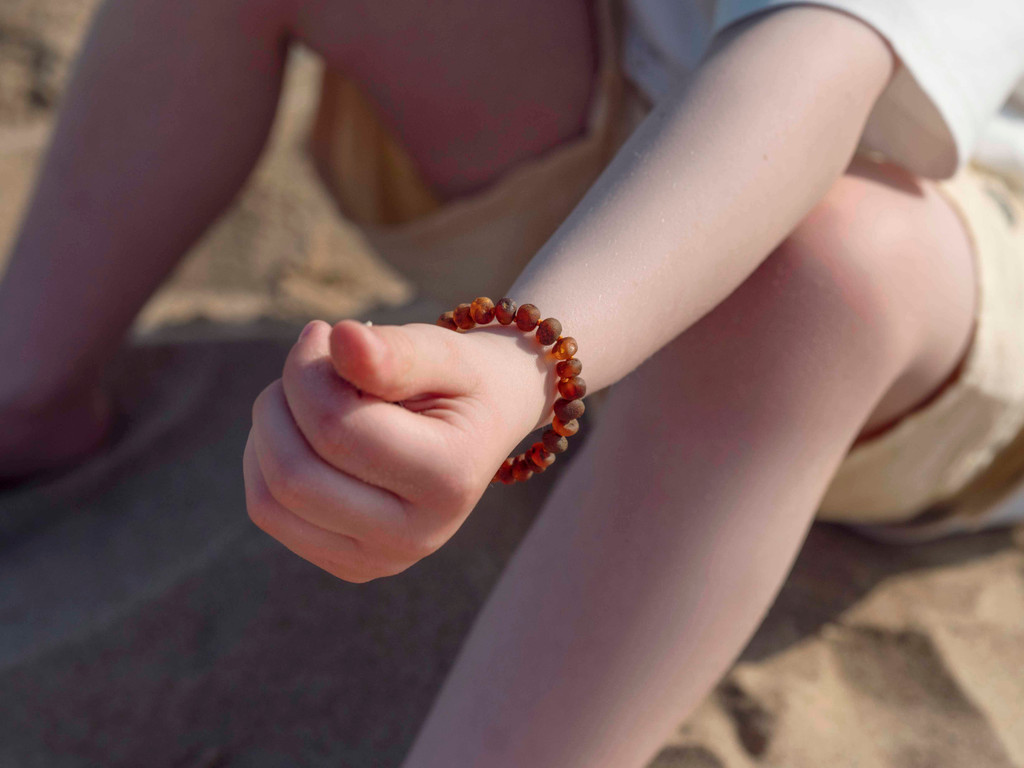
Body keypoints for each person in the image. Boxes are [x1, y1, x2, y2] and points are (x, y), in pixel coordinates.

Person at [2, 0, 1023, 765]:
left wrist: (519, 359)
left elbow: (816, 68)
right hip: (628, 108)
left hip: (921, 236)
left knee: (818, 270)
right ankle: (26, 391)